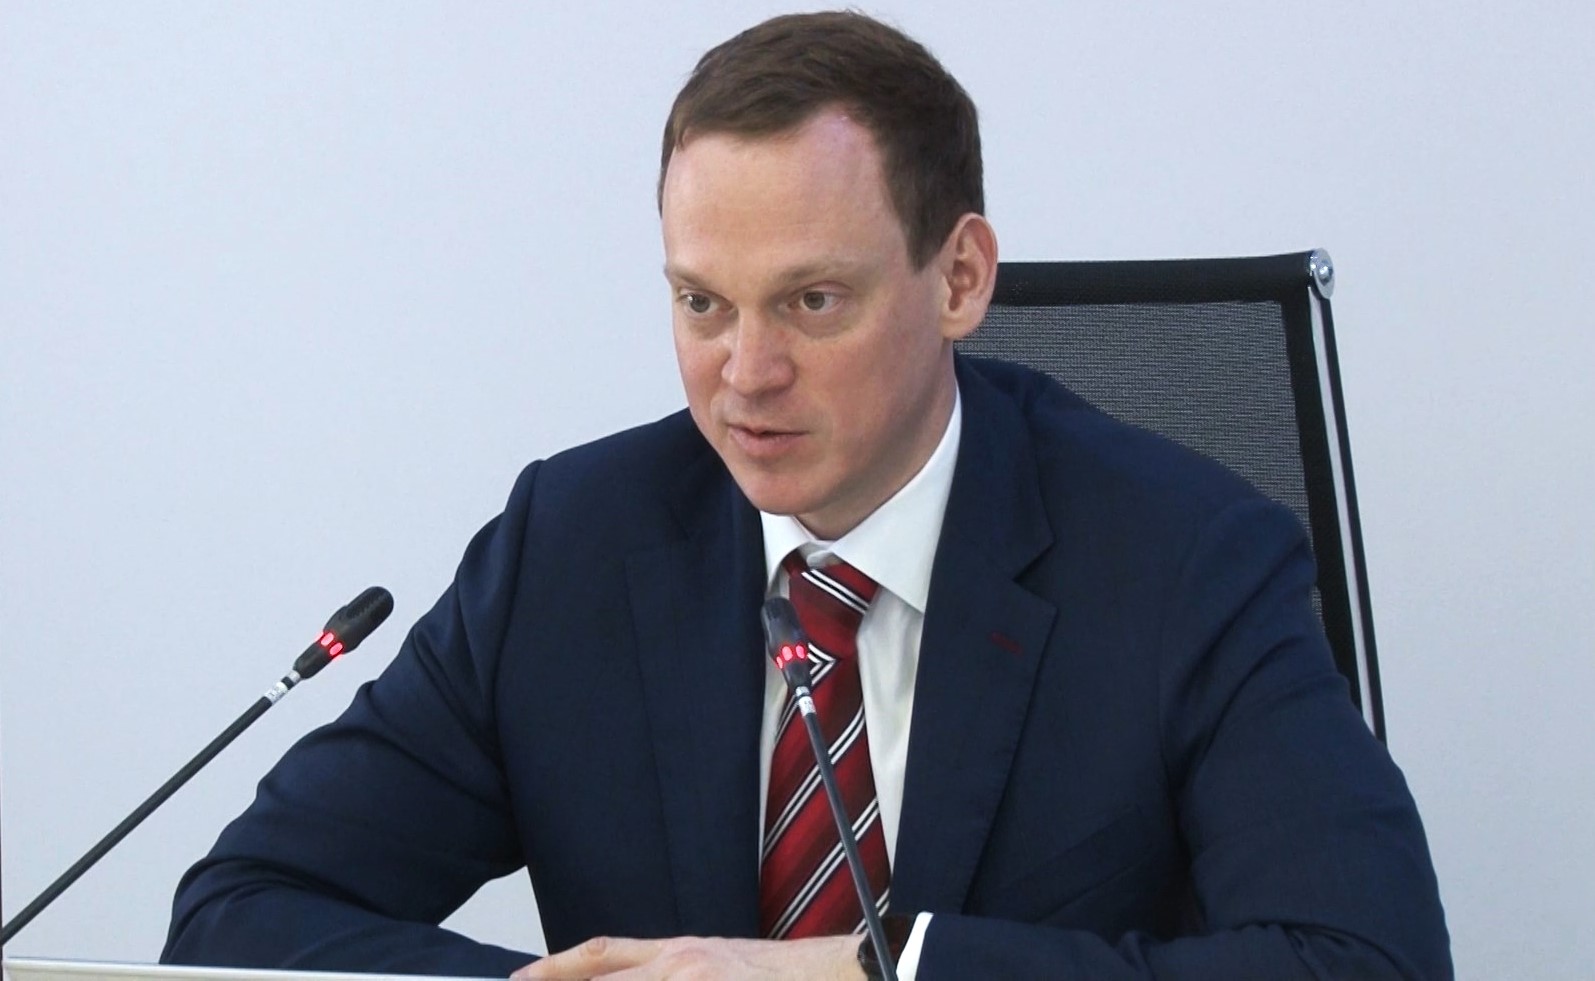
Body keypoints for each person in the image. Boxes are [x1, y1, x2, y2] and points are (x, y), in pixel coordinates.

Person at [162, 11, 1451, 979]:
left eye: (812, 301)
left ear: (960, 280)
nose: (746, 373)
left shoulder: (1186, 559)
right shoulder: (575, 548)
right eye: (701, 303)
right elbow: (242, 913)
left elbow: (1369, 963)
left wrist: (880, 974)